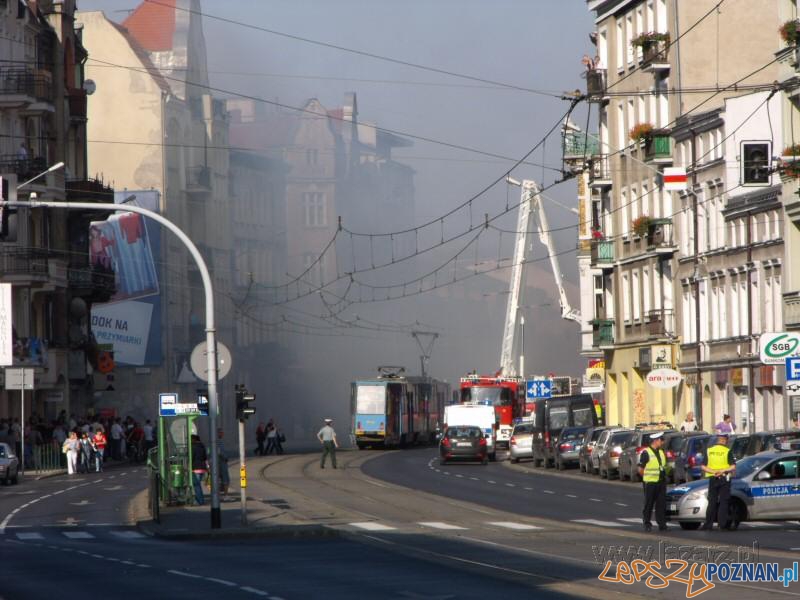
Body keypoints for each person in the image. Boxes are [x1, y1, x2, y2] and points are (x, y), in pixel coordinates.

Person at [701, 433, 736, 530]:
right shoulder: (727, 451)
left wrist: (714, 472)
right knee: (724, 501)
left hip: (713, 478)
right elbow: (733, 466)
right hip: (724, 478)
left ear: (718, 440)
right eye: (726, 440)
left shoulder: (709, 450)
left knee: (712, 501)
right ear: (724, 440)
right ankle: (722, 524)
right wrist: (722, 471)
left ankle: (708, 524)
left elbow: (703, 466)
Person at [638, 431, 667, 532]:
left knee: (661, 504)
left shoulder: (661, 452)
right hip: (650, 483)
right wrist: (646, 478)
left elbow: (663, 466)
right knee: (649, 504)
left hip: (661, 482)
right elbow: (640, 469)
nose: (662, 442)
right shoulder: (646, 453)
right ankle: (647, 523)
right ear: (656, 441)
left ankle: (662, 524)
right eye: (661, 440)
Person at [190, 434, 208, 506]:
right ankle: (199, 500)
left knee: (196, 485)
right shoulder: (202, 446)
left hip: (196, 468)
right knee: (198, 484)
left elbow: (191, 457)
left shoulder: (193, 447)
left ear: (193, 439)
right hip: (202, 468)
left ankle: (200, 501)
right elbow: (205, 457)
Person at [216, 428, 230, 495]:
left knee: (220, 479)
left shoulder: (219, 441)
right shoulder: (218, 442)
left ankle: (221, 494)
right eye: (221, 433)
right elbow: (220, 452)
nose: (222, 434)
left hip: (220, 463)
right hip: (221, 463)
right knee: (225, 479)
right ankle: (225, 494)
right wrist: (225, 457)